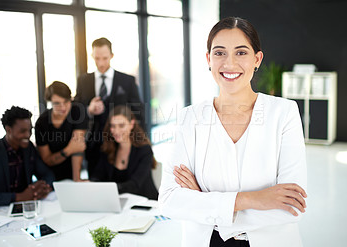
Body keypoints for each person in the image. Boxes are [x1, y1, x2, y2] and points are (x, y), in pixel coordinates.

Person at [158, 17, 307, 247]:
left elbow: (292, 206)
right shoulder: (190, 118)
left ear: (257, 59)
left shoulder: (284, 113)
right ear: (208, 59)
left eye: (241, 53)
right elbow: (169, 200)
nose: (229, 63)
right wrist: (254, 199)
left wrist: (204, 202)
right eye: (219, 53)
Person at [74, 37, 145, 177]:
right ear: (92, 56)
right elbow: (76, 110)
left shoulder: (127, 81)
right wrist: (89, 109)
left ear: (111, 56)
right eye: (97, 58)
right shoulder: (83, 80)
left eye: (105, 58)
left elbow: (139, 112)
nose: (101, 63)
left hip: (120, 144)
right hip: (94, 146)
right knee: (96, 186)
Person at [0, 106, 54, 207]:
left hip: (26, 211)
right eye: (22, 131)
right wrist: (19, 197)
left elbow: (48, 174)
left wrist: (42, 188)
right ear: (8, 130)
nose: (28, 135)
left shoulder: (29, 148)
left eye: (30, 130)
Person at [90, 106, 158, 200]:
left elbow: (135, 185)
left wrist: (108, 189)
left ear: (131, 124)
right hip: (120, 203)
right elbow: (98, 175)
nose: (116, 131)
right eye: (113, 126)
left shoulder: (144, 150)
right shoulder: (108, 148)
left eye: (121, 125)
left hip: (145, 204)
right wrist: (90, 184)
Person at [35, 81, 88, 181]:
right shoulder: (42, 123)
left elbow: (78, 148)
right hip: (49, 174)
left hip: (72, 170)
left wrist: (77, 179)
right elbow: (47, 160)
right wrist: (69, 149)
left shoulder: (77, 111)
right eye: (57, 103)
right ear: (50, 101)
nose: (63, 107)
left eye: (66, 101)